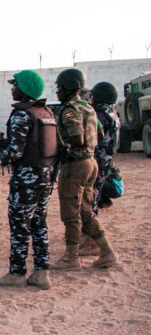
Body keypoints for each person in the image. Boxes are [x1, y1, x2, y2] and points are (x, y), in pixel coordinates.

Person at [0, 70, 55, 289]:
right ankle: (41, 273)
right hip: (45, 177)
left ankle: (17, 274)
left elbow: (15, 152)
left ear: (25, 88)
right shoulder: (46, 112)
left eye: (15, 85)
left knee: (20, 226)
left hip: (26, 180)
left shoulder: (22, 114)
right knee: (39, 225)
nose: (12, 89)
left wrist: (1, 156)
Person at [51, 68, 119, 271]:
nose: (57, 92)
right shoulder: (89, 108)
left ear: (69, 88)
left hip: (75, 165)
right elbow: (98, 135)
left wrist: (60, 149)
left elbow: (76, 137)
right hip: (91, 163)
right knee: (86, 212)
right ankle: (107, 252)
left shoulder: (69, 109)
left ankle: (71, 258)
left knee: (71, 214)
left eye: (59, 88)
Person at [79, 82, 121, 256]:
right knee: (92, 198)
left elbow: (91, 137)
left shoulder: (100, 114)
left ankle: (92, 242)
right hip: (106, 160)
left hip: (96, 159)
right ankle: (88, 238)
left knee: (89, 200)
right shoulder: (112, 113)